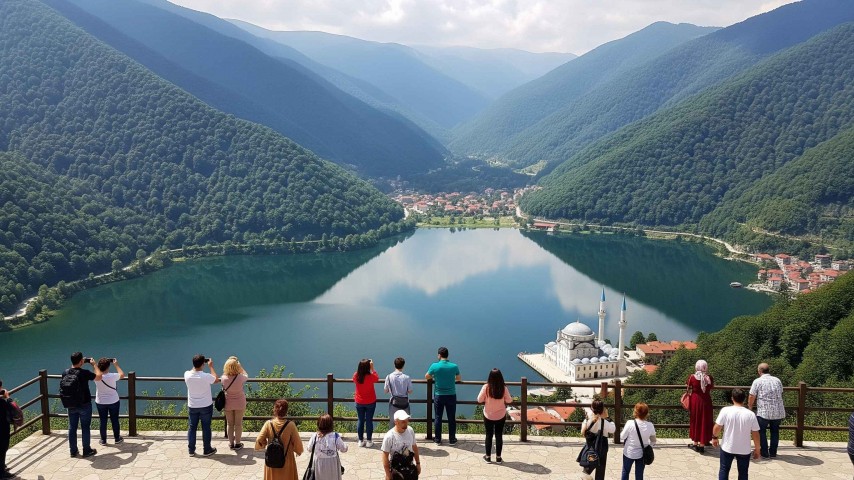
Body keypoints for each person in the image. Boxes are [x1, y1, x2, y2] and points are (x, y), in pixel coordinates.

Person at [712, 388, 760, 480]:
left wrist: (714, 437)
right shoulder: (750, 414)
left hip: (728, 447)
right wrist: (757, 449)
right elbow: (755, 434)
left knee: (724, 470)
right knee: (743, 473)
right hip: (744, 449)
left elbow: (717, 427)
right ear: (744, 399)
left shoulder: (725, 410)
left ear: (732, 398)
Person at [62, 352, 102, 458]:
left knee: (72, 428)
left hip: (70, 404)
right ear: (81, 361)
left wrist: (79, 363)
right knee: (85, 427)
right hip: (84, 404)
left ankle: (73, 451)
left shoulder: (65, 372)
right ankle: (86, 450)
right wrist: (94, 364)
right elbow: (99, 377)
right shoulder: (84, 373)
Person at [254, 399, 304, 480]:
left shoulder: (268, 424)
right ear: (286, 411)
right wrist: (298, 451)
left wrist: (265, 443)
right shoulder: (291, 425)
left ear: (275, 410)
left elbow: (259, 440)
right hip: (286, 460)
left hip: (272, 460)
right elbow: (298, 445)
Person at [184, 354, 220, 457]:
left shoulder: (187, 374)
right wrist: (211, 366)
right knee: (206, 427)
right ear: (203, 364)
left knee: (192, 427)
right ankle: (207, 449)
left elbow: (193, 369)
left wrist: (198, 363)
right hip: (205, 405)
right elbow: (216, 379)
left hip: (193, 405)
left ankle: (191, 450)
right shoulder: (206, 376)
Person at [748, 363, 785, 459]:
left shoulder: (757, 381)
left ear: (759, 371)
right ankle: (773, 452)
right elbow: (781, 392)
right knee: (775, 431)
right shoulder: (777, 380)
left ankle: (764, 452)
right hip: (778, 411)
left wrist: (750, 406)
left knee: (761, 431)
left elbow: (752, 395)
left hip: (764, 411)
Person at [425, 346, 461, 445]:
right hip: (451, 395)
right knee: (451, 417)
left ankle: (437, 439)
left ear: (439, 355)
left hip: (439, 395)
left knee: (438, 417)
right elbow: (458, 378)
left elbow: (427, 376)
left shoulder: (434, 366)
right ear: (447, 355)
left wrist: (435, 376)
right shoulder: (454, 366)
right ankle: (452, 439)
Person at [476, 368, 512, 463]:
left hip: (488, 415)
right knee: (499, 435)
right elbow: (509, 400)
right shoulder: (503, 388)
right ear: (500, 377)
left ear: (490, 377)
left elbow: (479, 399)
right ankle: (498, 458)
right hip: (500, 415)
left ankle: (488, 457)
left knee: (489, 435)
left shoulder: (486, 387)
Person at [579, 398, 615, 480]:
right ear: (603, 410)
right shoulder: (605, 422)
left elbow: (582, 432)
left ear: (592, 409)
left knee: (590, 462)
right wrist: (608, 417)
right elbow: (613, 429)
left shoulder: (588, 420)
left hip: (591, 446)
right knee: (601, 469)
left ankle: (586, 475)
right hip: (602, 446)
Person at [381, 410, 421, 480]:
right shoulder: (389, 436)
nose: (406, 423)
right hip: (396, 468)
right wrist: (388, 474)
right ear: (396, 422)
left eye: (407, 420)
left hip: (409, 467)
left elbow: (414, 447)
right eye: (403, 421)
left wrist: (418, 464)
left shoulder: (410, 430)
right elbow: (385, 456)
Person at [620, 402, 656, 480]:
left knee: (625, 471)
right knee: (639, 474)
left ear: (635, 412)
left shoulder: (630, 423)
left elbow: (622, 436)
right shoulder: (650, 425)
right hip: (642, 454)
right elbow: (653, 441)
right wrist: (648, 447)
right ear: (647, 413)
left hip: (629, 452)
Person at [306, 414, 348, 480]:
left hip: (319, 463)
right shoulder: (335, 436)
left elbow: (309, 449)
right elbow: (344, 449)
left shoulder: (315, 436)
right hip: (332, 463)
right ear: (331, 425)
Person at [94, 357, 124, 446]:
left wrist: (94, 365)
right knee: (114, 420)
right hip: (113, 401)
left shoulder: (96, 377)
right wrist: (116, 365)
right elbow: (122, 374)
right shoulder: (112, 376)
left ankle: (103, 440)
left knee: (103, 421)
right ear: (108, 367)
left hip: (100, 402)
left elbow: (96, 372)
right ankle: (117, 438)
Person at [221, 356, 249, 450]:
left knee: (230, 424)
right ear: (236, 366)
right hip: (240, 403)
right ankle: (238, 443)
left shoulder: (223, 378)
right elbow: (246, 375)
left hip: (228, 403)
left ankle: (231, 443)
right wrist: (240, 367)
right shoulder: (241, 377)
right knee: (238, 424)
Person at [687, 359, 714, 453]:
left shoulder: (692, 377)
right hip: (706, 402)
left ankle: (695, 444)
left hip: (695, 401)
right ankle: (703, 443)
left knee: (696, 421)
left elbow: (688, 385)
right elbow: (711, 387)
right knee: (705, 421)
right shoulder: (709, 378)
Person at [353, 359, 379, 447]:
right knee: (369, 421)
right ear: (368, 367)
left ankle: (360, 440)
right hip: (370, 402)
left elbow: (356, 378)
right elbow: (377, 378)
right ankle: (369, 441)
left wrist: (363, 367)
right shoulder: (371, 376)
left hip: (359, 401)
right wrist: (372, 368)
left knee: (360, 420)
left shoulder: (356, 375)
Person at [384, 357, 413, 429]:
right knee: (404, 422)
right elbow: (410, 391)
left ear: (394, 365)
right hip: (405, 403)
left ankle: (393, 438)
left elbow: (386, 390)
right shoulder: (407, 377)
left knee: (393, 422)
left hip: (394, 403)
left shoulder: (389, 377)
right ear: (403, 366)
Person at [0, 380, 13, 479]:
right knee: (2, 449)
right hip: (2, 430)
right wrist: (8, 397)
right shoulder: (2, 402)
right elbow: (13, 409)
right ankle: (2, 473)